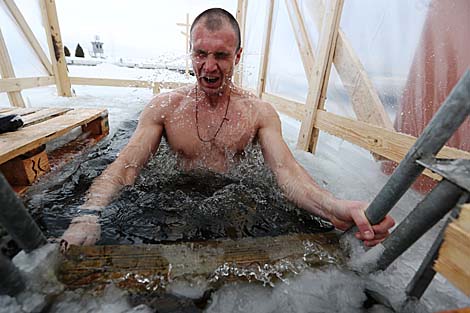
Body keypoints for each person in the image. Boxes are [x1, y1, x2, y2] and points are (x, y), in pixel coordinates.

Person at [62, 8, 394, 247]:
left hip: (234, 205)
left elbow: (288, 174)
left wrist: (334, 207)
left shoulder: (259, 113)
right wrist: (88, 215)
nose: (208, 67)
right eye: (200, 53)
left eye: (221, 55)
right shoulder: (165, 108)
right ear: (190, 52)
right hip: (175, 201)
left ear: (237, 56)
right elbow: (125, 167)